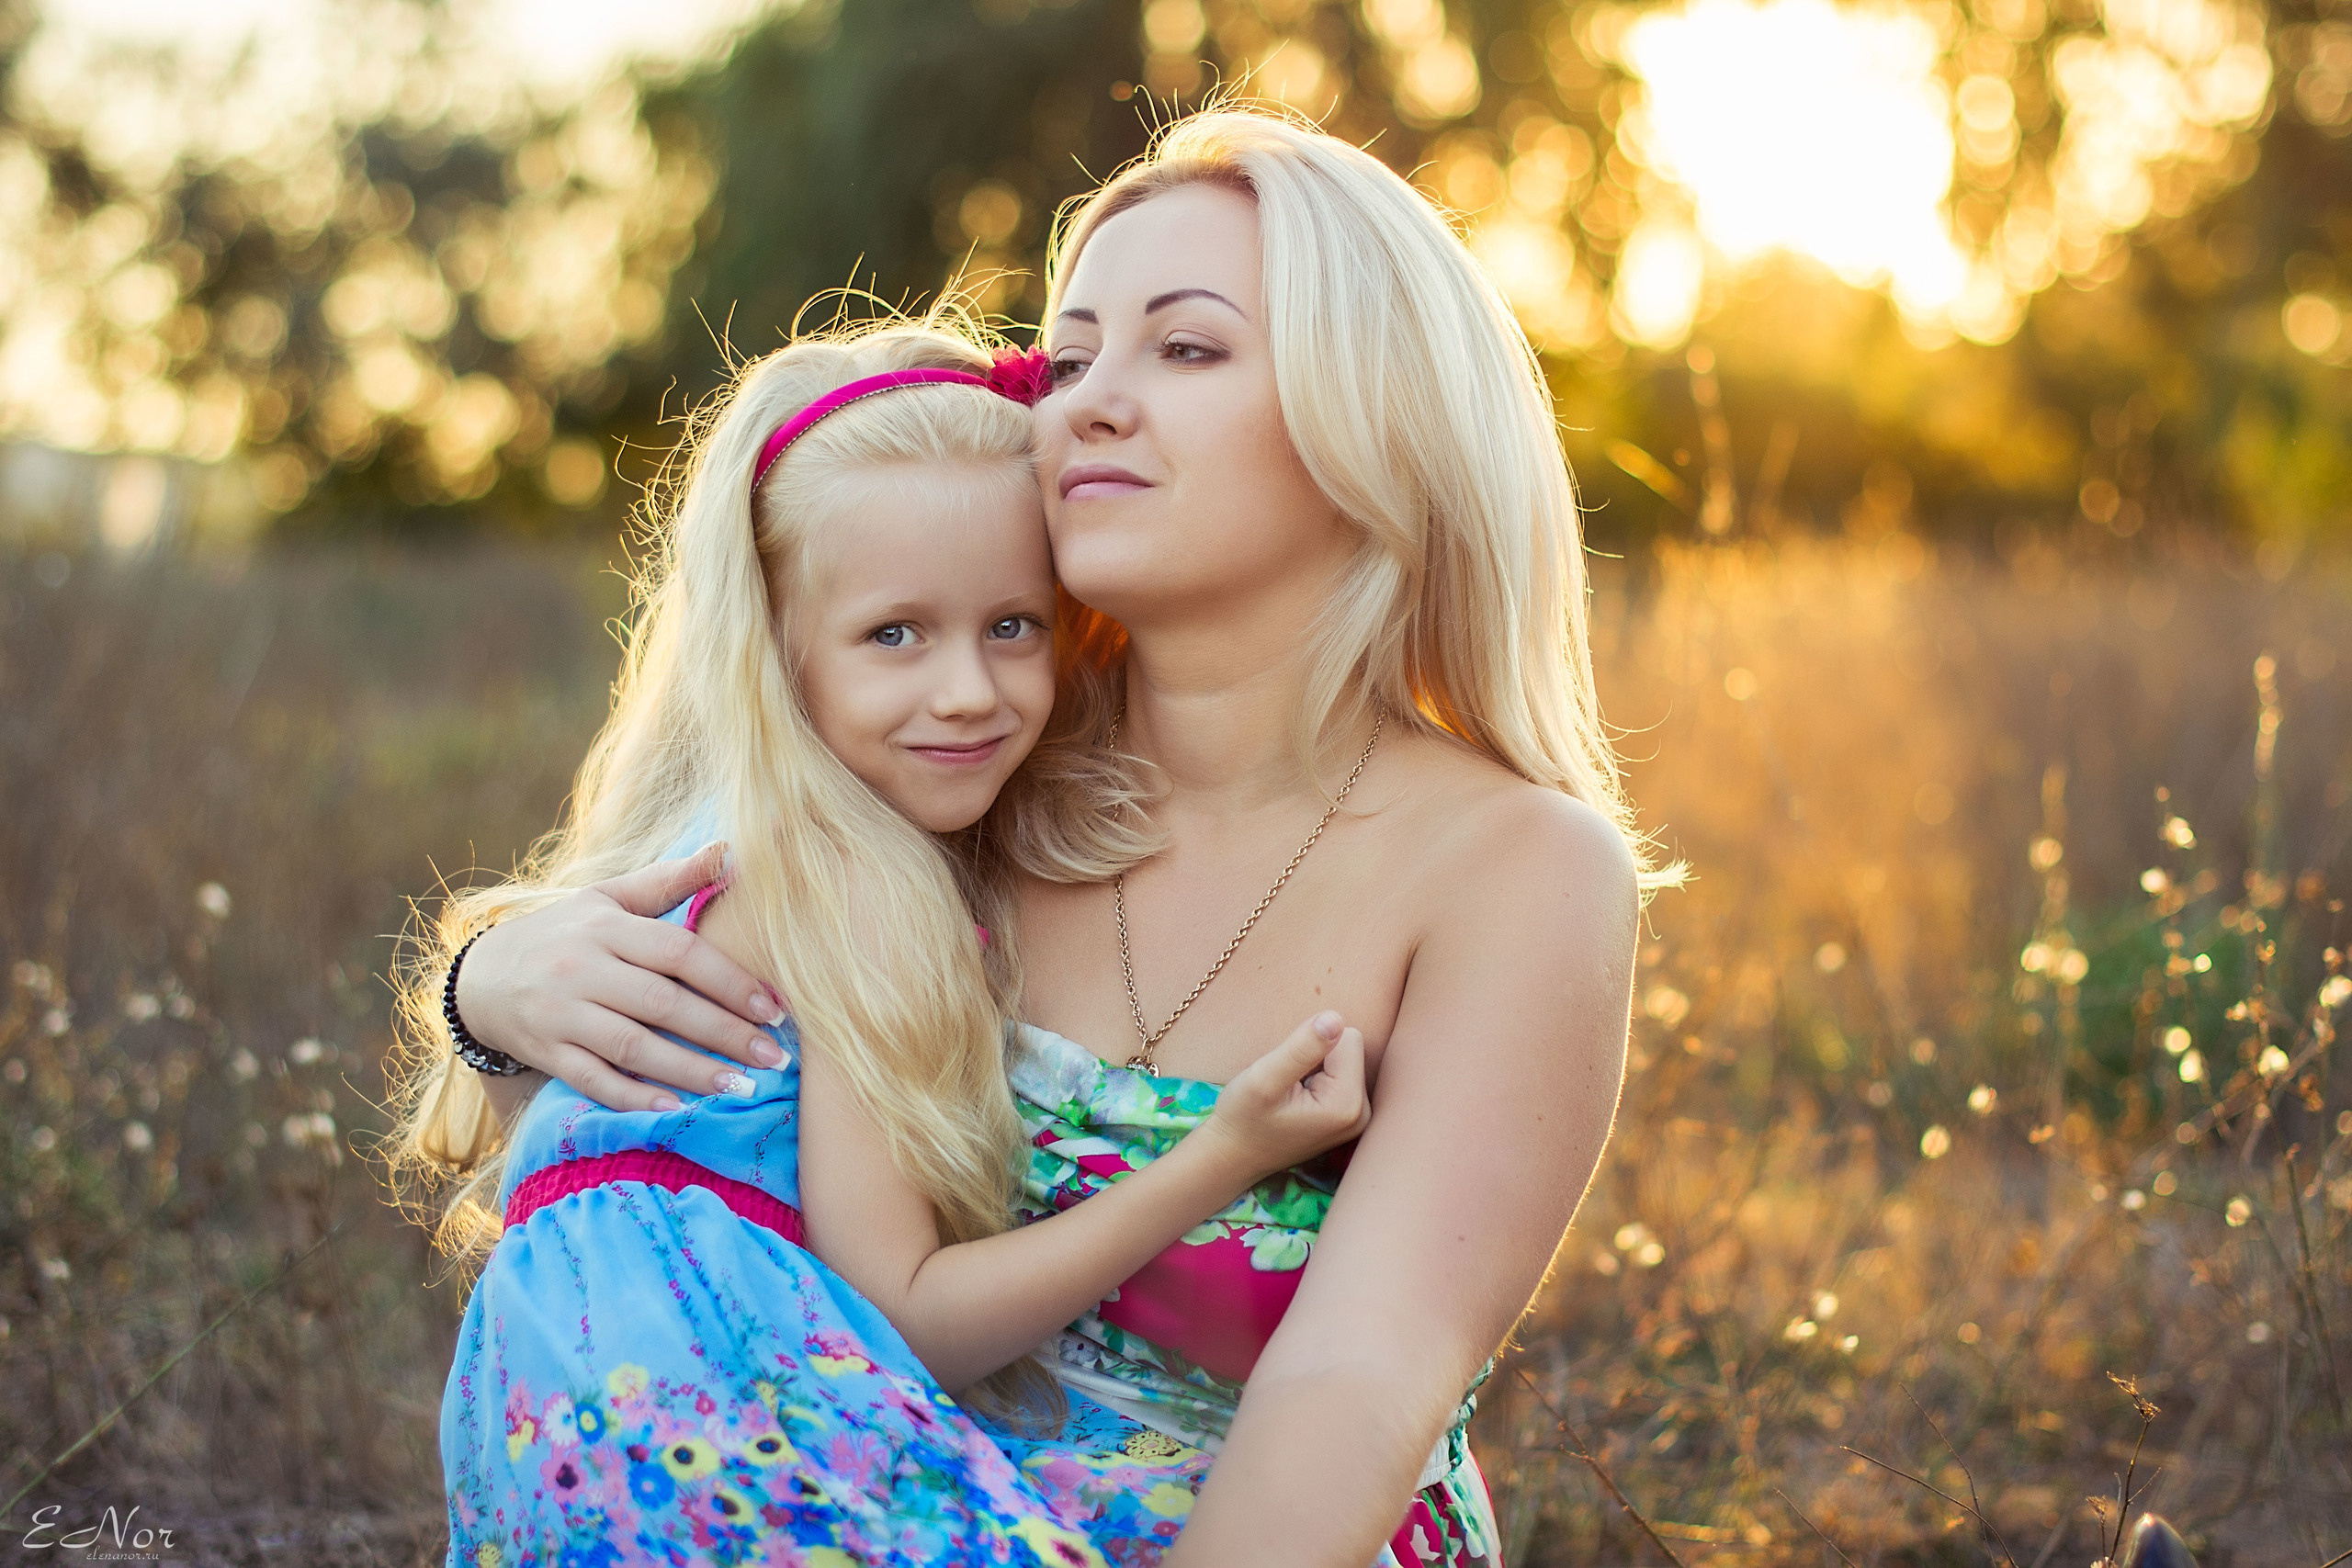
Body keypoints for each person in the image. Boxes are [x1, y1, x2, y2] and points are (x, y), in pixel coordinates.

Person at [449, 106, 1661, 1567]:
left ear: (1380, 414)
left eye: (1188, 347)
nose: (1084, 401)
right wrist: (491, 992)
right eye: (1070, 356)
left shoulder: (1516, 869)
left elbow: (1365, 1372)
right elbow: (659, 1170)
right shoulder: (962, 768)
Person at [386, 319, 1372, 1568]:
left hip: (562, 1428)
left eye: (1013, 626)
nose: (965, 689)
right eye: (894, 634)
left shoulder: (724, 844)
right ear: (782, 658)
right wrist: (1227, 1151)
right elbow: (912, 1317)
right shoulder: (853, 891)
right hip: (714, 1433)